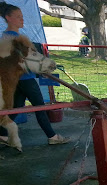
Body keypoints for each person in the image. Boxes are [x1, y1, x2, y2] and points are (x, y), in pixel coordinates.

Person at [0, 2, 70, 147]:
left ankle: (2, 133)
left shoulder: (6, 36)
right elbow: (25, 62)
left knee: (16, 108)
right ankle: (52, 136)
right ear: (8, 18)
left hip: (19, 80)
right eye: (18, 17)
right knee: (40, 108)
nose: (22, 19)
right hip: (26, 79)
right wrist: (41, 70)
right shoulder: (15, 40)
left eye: (22, 16)